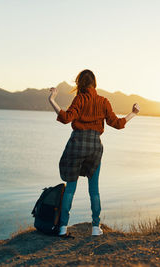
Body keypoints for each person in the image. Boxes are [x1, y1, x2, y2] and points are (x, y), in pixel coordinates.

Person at [48, 69, 140, 236]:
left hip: (77, 145)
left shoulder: (80, 99)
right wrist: (133, 113)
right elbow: (117, 124)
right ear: (95, 84)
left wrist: (52, 100)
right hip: (95, 147)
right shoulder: (103, 101)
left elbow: (65, 118)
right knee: (94, 189)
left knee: (70, 188)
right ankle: (96, 228)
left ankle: (62, 228)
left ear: (79, 84)